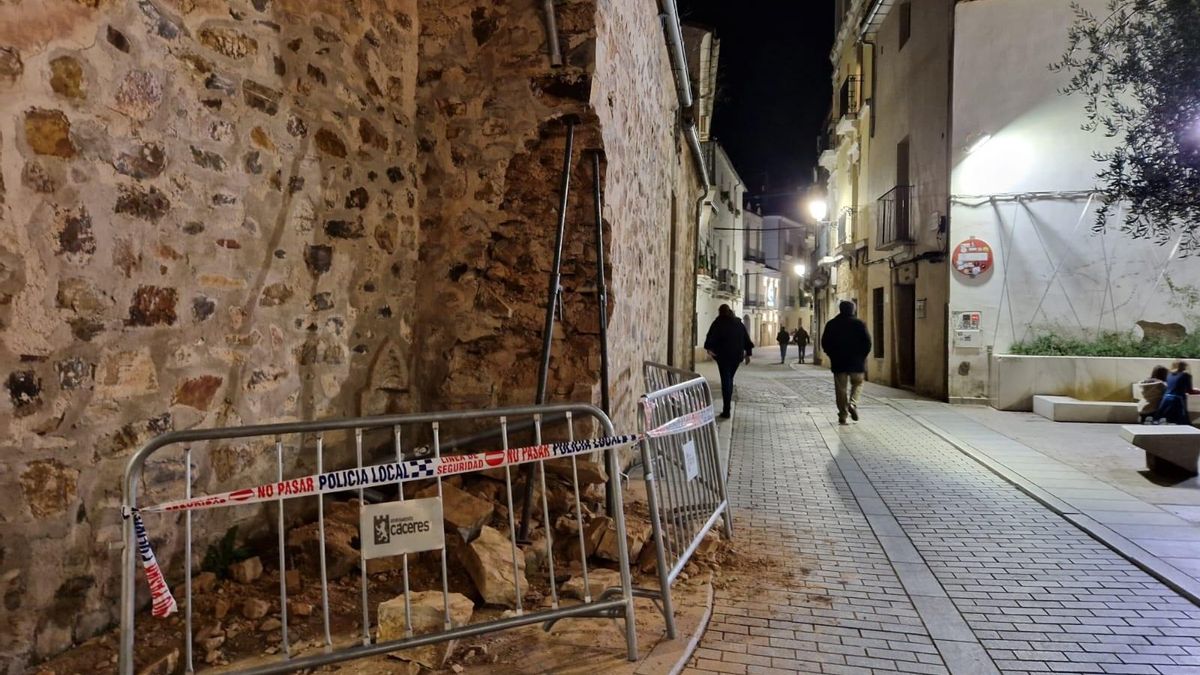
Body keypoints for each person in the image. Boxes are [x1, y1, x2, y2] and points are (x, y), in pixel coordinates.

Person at [821, 300, 872, 425]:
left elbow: (825, 342)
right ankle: (853, 404)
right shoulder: (859, 324)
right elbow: (867, 342)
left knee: (841, 389)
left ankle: (843, 415)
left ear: (840, 309)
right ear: (853, 310)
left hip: (839, 363)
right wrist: (862, 356)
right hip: (856, 362)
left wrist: (831, 354)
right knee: (858, 384)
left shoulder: (832, 324)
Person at [705, 304, 754, 419]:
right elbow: (746, 339)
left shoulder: (718, 323)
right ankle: (727, 407)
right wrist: (748, 354)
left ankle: (726, 410)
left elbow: (710, 337)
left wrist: (709, 349)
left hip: (723, 357)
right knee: (729, 379)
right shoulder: (738, 324)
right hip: (736, 357)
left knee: (726, 380)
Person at [1156, 361, 1199, 426]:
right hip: (1177, 400)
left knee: (1164, 420)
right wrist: (1197, 391)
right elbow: (1189, 391)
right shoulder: (1186, 375)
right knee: (1182, 423)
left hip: (1165, 400)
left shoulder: (1169, 375)